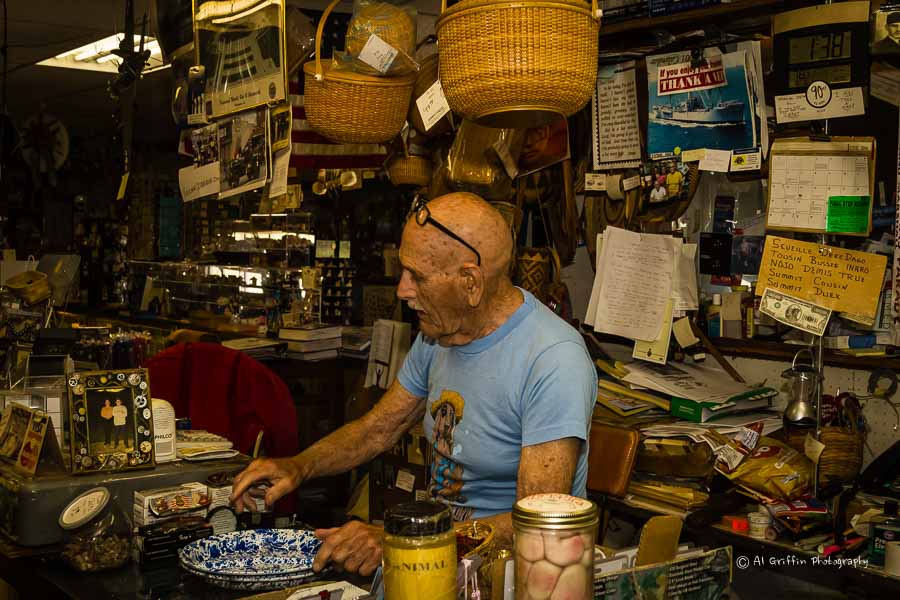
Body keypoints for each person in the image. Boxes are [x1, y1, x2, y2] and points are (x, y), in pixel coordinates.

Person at [231, 192, 596, 577]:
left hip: (505, 575)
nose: (402, 290)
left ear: (471, 282)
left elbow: (535, 524)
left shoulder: (552, 359)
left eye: (417, 277)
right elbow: (378, 430)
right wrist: (299, 466)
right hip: (435, 558)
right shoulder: (439, 334)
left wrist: (405, 542)